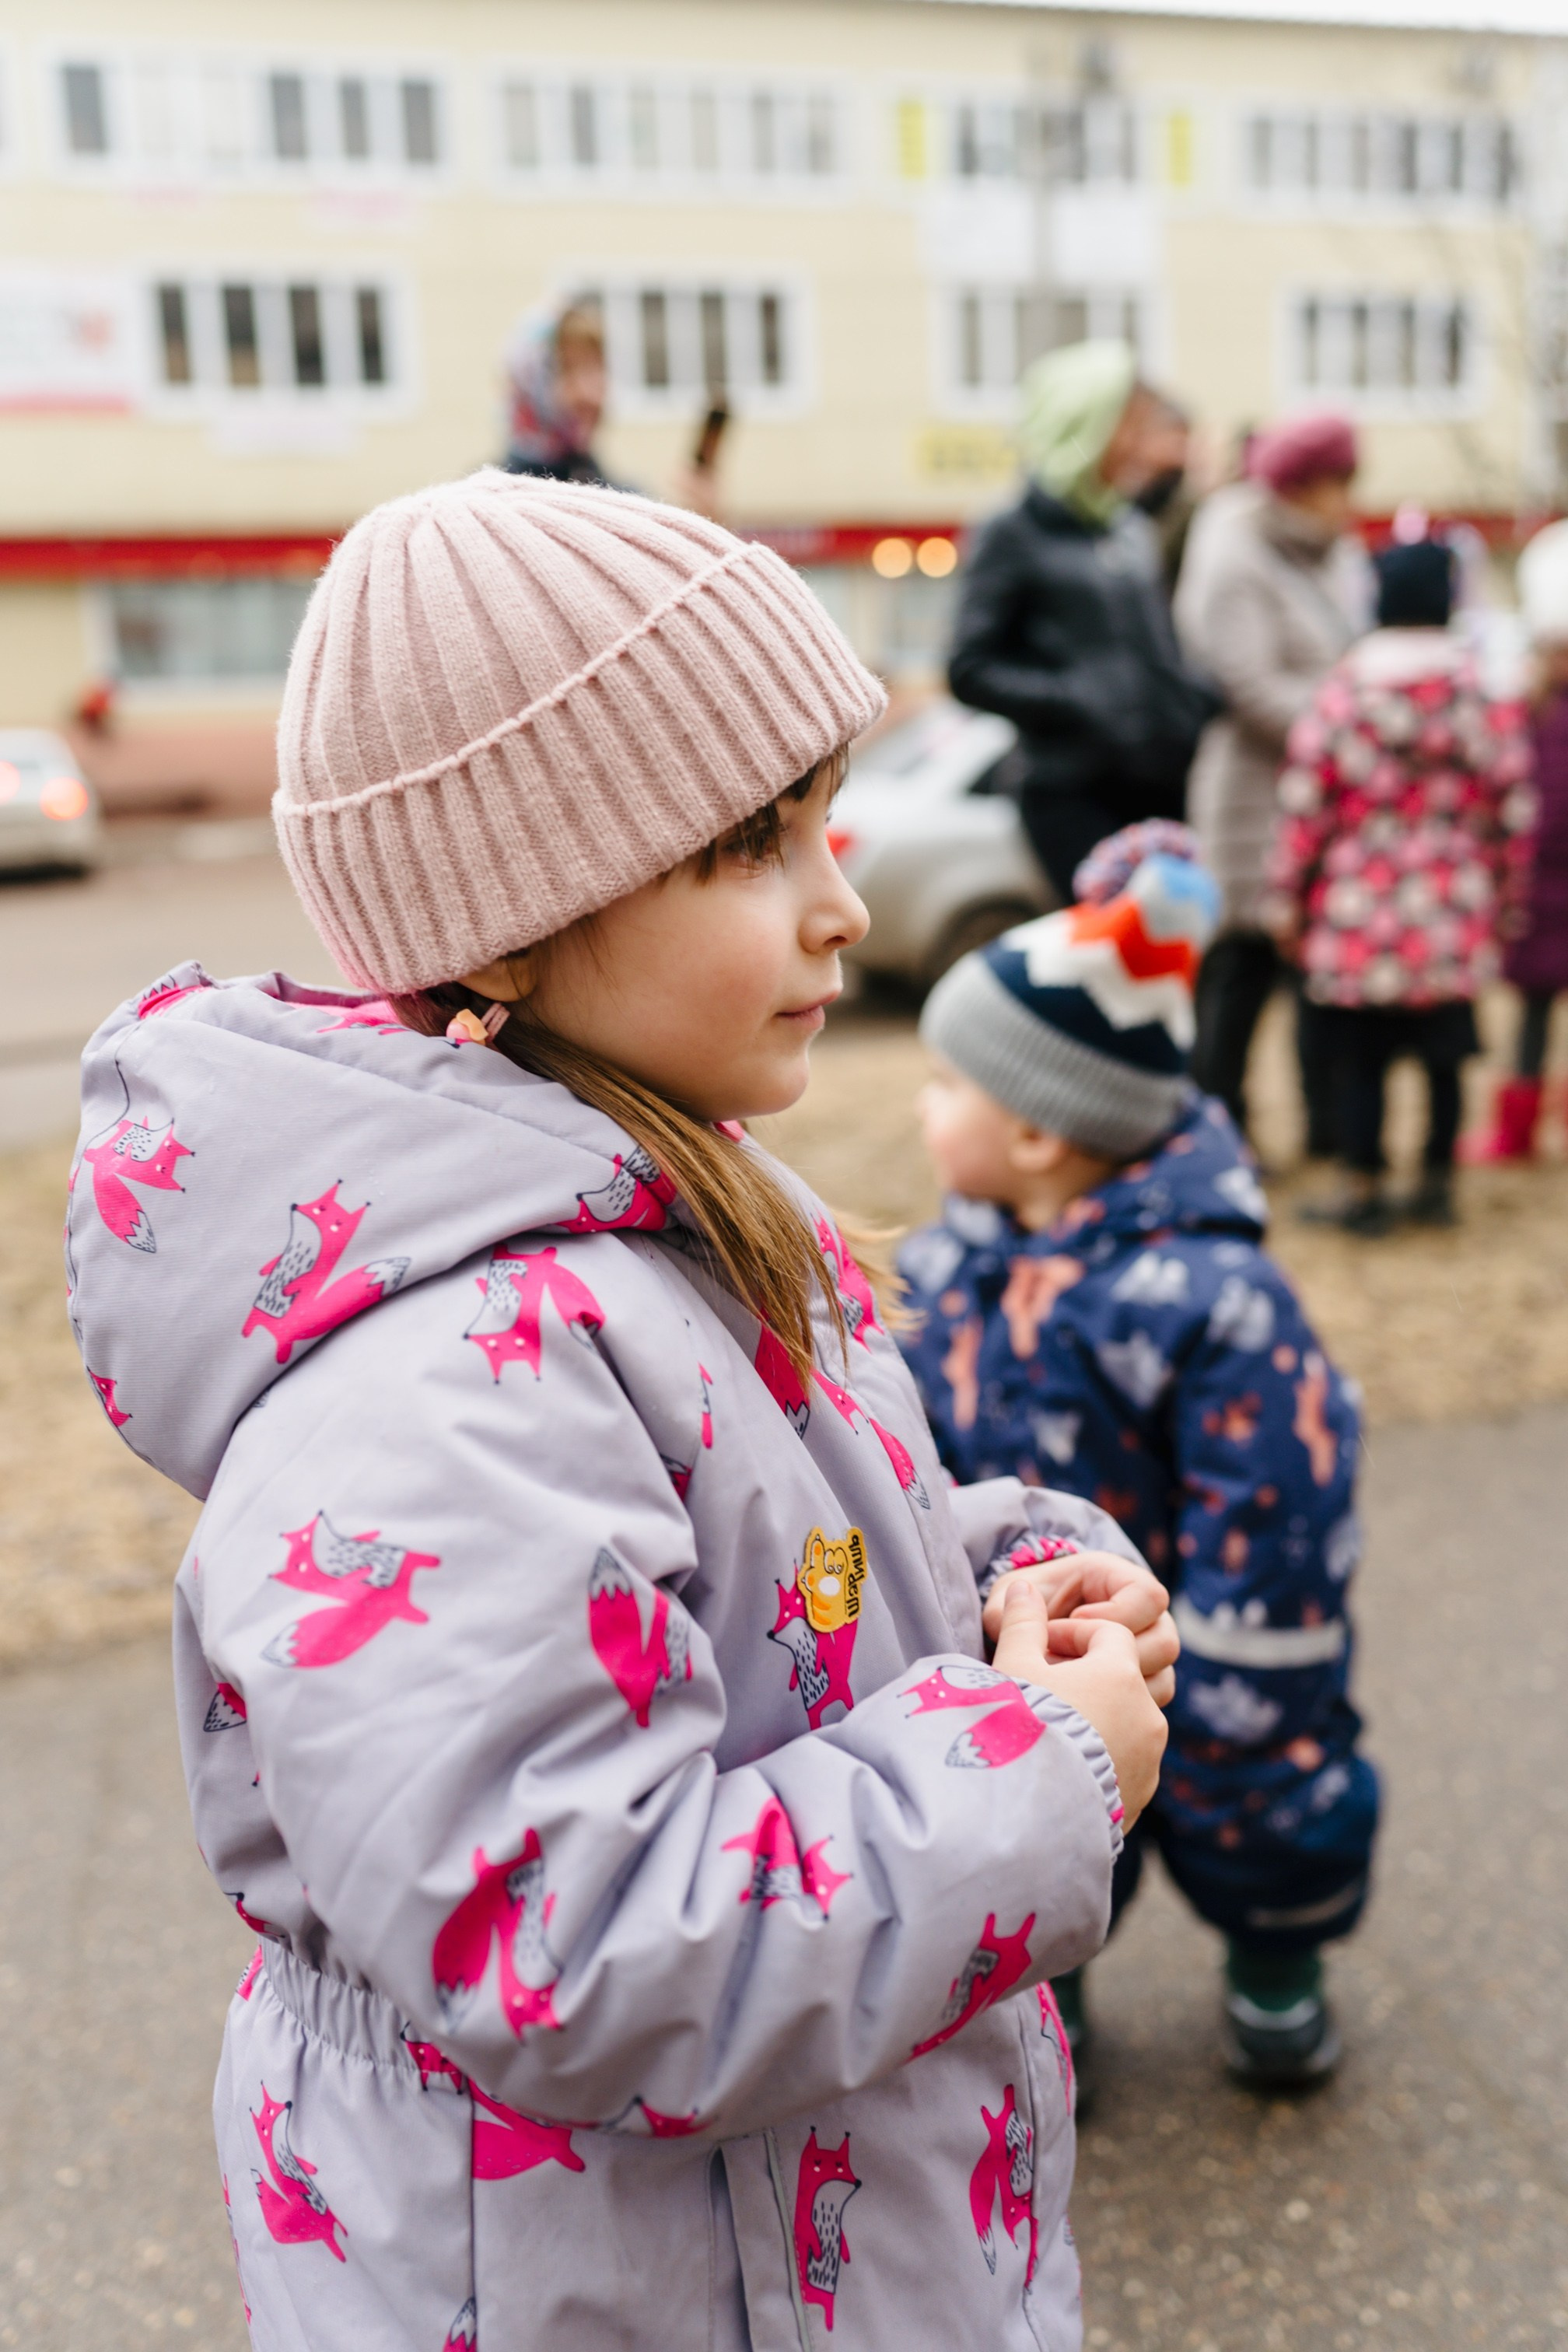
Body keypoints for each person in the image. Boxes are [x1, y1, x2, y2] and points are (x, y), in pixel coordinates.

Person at [67, 474, 1177, 2351]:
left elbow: (788, 1557)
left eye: (833, 829)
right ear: (502, 929)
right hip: (614, 2284)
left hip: (797, 2239)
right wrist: (1026, 1769)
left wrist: (1008, 1578)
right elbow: (578, 1941)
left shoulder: (656, 1212)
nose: (843, 910)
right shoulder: (438, 1370)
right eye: (755, 850)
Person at [896, 823, 1378, 2091]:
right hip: (1035, 1639)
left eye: (950, 1086)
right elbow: (910, 1452)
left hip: (1205, 1652)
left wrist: (1238, 1678)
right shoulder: (951, 1270)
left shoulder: (1215, 1297)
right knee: (1044, 1822)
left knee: (1262, 1823)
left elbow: (1273, 1498)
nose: (922, 1105)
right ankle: (1052, 2008)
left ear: (1042, 1132)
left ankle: (1276, 1968)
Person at [1267, 540, 1533, 1232]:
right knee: (1446, 1052)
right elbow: (1511, 804)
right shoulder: (1477, 691)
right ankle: (1437, 1180)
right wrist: (1506, 896)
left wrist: (1287, 899)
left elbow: (1305, 806)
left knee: (1361, 1057)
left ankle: (1363, 1187)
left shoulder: (1345, 693)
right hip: (1451, 896)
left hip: (1361, 901)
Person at [947, 339, 1219, 902]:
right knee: (1110, 961)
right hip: (1070, 793)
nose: (1141, 444)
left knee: (1170, 958)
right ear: (1084, 423)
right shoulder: (1012, 532)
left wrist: (1194, 700)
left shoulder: (1128, 527)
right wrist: (1080, 699)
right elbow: (968, 668)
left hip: (1160, 784)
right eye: (1130, 424)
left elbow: (1158, 652)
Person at [1174, 412, 1367, 1154]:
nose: (1346, 499)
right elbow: (1245, 682)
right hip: (1253, 797)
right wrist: (1348, 730)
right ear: (1302, 483)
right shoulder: (1233, 550)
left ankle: (1324, 1128)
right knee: (1239, 975)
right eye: (1336, 483)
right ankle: (1221, 1132)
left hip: (1321, 798)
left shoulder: (1327, 552)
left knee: (1317, 981)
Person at [1464, 517, 1568, 1160]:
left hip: (1547, 880)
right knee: (1532, 1010)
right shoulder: (1522, 714)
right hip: (1541, 883)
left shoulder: (1528, 714)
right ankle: (1520, 1121)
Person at [502, 300, 610, 483]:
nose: (591, 394)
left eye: (598, 368)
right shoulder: (489, 502)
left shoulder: (620, 500)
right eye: (568, 370)